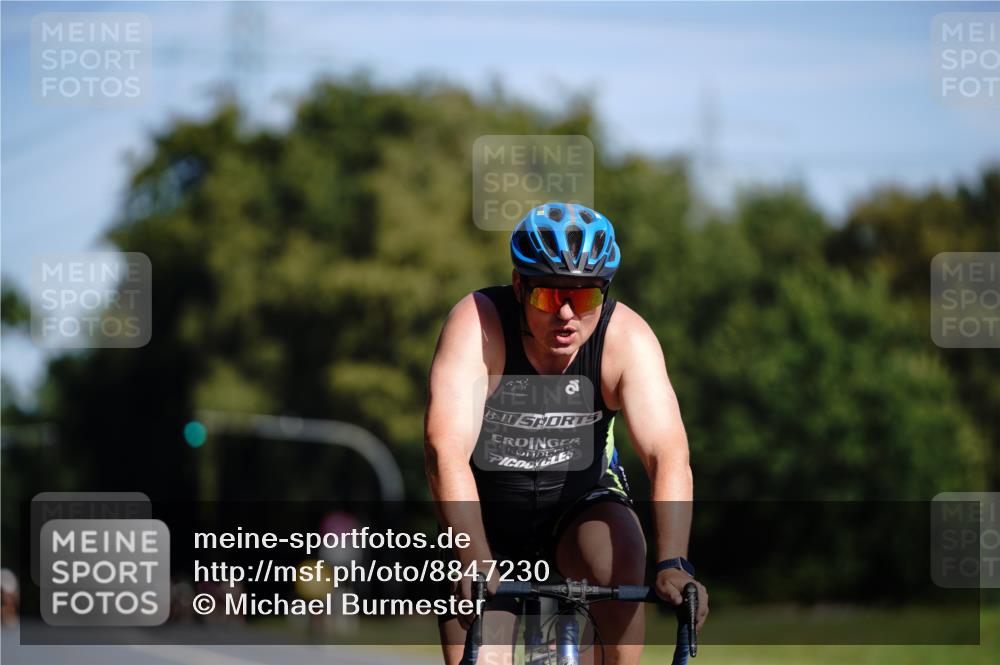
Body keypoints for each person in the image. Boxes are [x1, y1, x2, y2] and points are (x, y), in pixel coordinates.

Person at [424, 202, 708, 665]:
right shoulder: (477, 324)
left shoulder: (626, 340)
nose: (567, 315)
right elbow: (444, 449)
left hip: (582, 506)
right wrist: (472, 554)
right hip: (486, 517)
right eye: (549, 297)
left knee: (622, 557)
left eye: (586, 297)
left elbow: (667, 453)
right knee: (481, 657)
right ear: (519, 286)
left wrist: (674, 563)